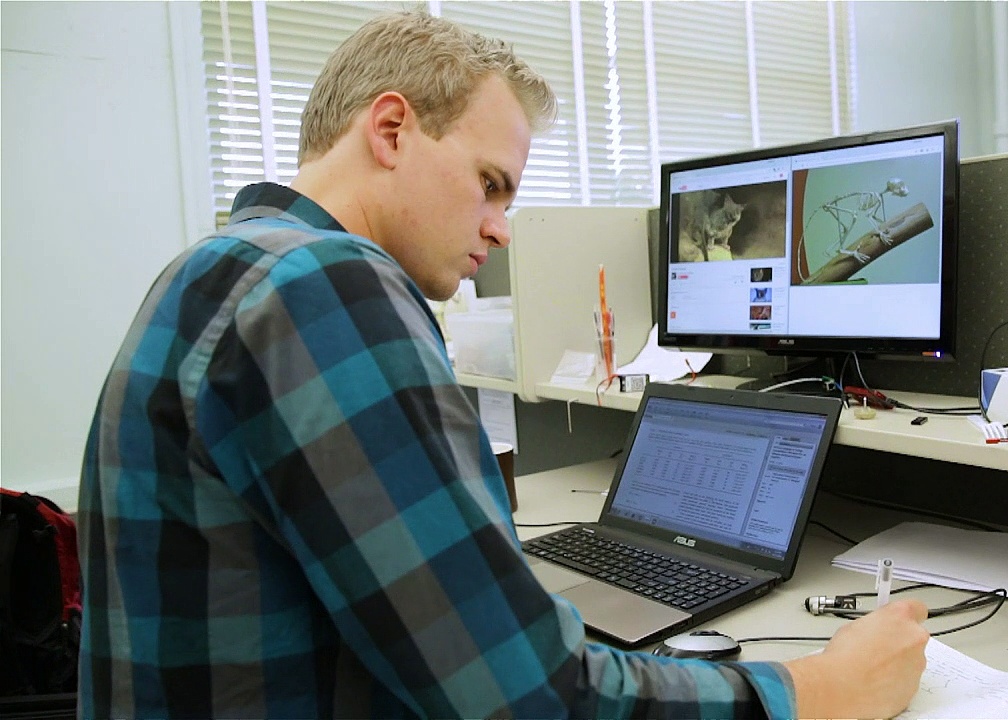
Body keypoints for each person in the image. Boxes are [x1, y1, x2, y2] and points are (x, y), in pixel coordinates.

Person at [78, 10, 929, 718]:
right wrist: (815, 691)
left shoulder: (218, 267)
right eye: (490, 184)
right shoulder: (326, 286)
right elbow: (529, 699)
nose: (501, 229)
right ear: (391, 131)